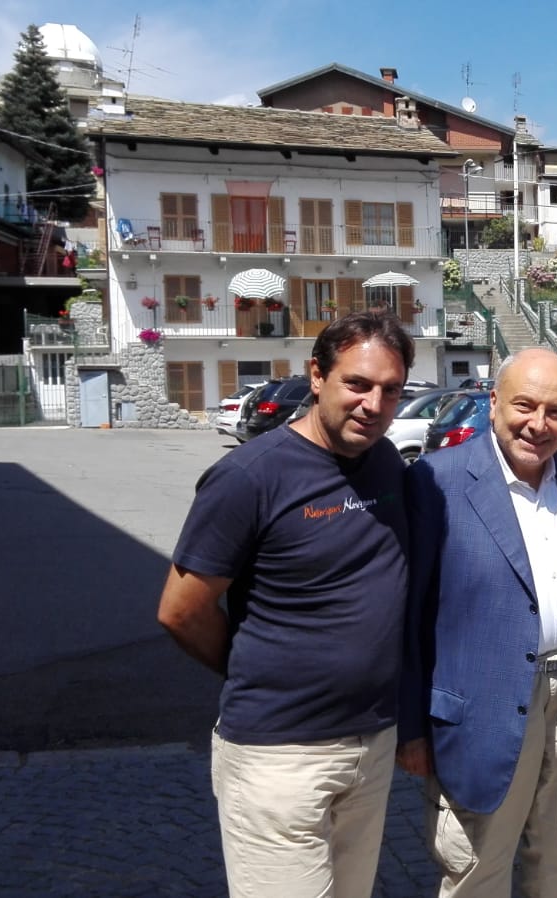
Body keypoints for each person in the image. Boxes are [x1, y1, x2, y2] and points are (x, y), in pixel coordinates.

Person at [156, 312, 415, 898]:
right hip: (279, 754)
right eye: (357, 384)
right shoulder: (249, 476)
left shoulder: (384, 461)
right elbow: (180, 610)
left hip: (371, 742)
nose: (374, 405)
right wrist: (257, 668)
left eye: (390, 390)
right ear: (317, 376)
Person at [398, 346, 557, 898]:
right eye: (525, 406)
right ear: (493, 403)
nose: (539, 424)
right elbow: (408, 615)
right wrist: (410, 725)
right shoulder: (437, 480)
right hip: (479, 711)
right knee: (476, 874)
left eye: (555, 412)